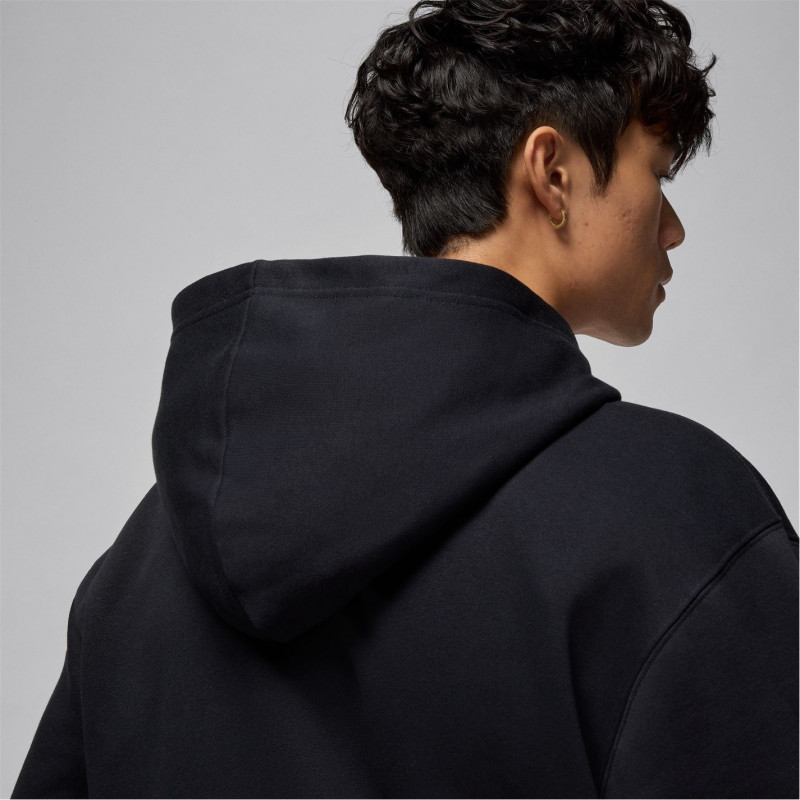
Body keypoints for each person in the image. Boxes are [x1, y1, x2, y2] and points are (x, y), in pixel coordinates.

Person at [12, 0, 797, 797]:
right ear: (553, 172)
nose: (673, 228)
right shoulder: (675, 515)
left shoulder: (138, 570)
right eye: (658, 174)